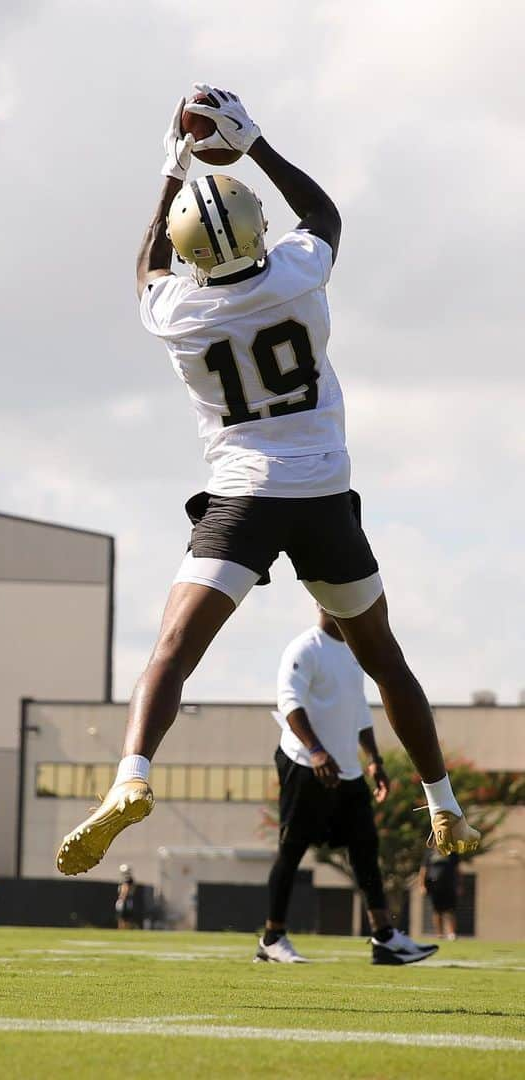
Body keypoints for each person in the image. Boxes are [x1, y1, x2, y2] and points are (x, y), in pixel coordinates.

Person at [56, 83, 480, 877]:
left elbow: (146, 265)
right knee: (384, 660)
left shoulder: (178, 314)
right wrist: (252, 145)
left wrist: (171, 173)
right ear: (257, 230)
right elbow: (325, 217)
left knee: (171, 655)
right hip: (322, 499)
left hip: (243, 498)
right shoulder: (296, 273)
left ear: (191, 254)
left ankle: (131, 775)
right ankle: (443, 803)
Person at [256, 606, 438, 964]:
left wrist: (374, 760)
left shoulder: (355, 652)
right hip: (304, 764)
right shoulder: (304, 648)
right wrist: (317, 751)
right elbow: (289, 702)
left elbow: (359, 710)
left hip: (348, 770)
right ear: (320, 603)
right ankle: (272, 939)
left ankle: (384, 938)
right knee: (292, 850)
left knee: (365, 849)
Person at [421, 847, 461, 940]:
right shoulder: (430, 853)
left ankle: (452, 934)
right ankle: (439, 934)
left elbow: (458, 869)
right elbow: (423, 870)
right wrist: (422, 885)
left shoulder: (452, 853)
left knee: (450, 910)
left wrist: (459, 885)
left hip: (449, 885)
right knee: (437, 911)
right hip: (434, 886)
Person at [116, 865, 137, 930]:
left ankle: (122, 928)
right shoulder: (130, 879)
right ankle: (125, 928)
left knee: (123, 915)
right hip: (128, 899)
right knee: (126, 916)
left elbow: (125, 888)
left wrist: (122, 897)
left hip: (125, 899)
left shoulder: (127, 879)